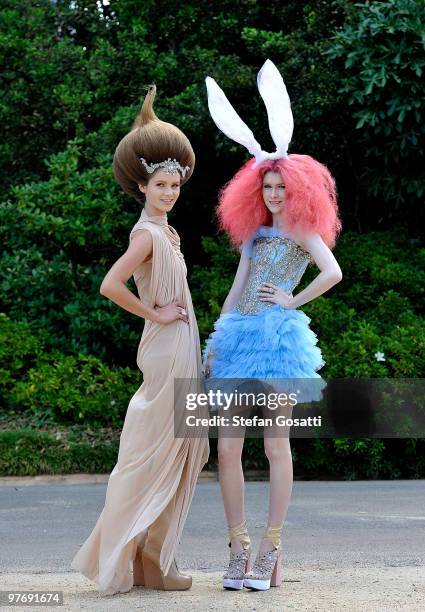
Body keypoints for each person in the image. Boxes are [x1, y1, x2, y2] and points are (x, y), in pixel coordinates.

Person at [203, 60, 342, 591]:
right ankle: (237, 546)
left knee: (276, 445)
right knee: (227, 446)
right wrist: (216, 338)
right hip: (240, 340)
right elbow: (238, 286)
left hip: (280, 344)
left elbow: (333, 271)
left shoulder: (306, 230)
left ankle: (271, 549)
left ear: (298, 187)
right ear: (255, 190)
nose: (275, 195)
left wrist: (292, 299)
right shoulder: (256, 234)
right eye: (268, 187)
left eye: (282, 187)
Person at [70, 84, 209, 596]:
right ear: (142, 186)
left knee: (181, 449)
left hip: (179, 346)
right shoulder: (148, 234)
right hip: (167, 349)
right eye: (160, 185)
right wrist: (154, 312)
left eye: (175, 184)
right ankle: (141, 558)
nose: (170, 192)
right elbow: (110, 284)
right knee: (161, 450)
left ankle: (154, 561)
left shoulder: (165, 231)